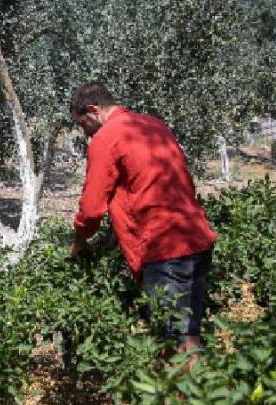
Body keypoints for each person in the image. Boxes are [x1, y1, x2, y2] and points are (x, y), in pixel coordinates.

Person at [68, 82, 217, 368]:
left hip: (164, 248)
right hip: (195, 239)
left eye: (82, 123)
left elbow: (90, 209)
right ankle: (201, 402)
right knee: (189, 336)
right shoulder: (152, 125)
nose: (84, 131)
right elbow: (149, 184)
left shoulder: (106, 137)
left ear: (93, 110)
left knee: (174, 343)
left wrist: (78, 242)